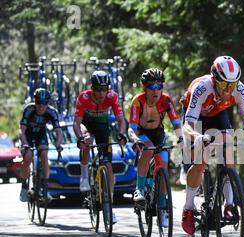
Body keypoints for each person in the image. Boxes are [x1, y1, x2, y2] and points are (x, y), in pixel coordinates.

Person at [179, 55, 244, 235]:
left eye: (232, 84)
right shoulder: (202, 88)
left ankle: (229, 204)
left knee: (229, 143)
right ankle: (188, 207)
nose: (228, 90)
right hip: (196, 116)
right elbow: (187, 126)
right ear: (214, 79)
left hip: (217, 113)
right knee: (200, 160)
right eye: (224, 84)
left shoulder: (239, 89)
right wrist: (197, 137)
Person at [127, 68, 183, 227]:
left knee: (163, 165)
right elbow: (132, 127)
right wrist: (136, 140)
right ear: (144, 88)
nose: (156, 91)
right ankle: (139, 189)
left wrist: (181, 139)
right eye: (152, 87)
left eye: (159, 87)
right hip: (142, 134)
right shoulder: (138, 101)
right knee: (148, 149)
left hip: (158, 133)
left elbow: (176, 122)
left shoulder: (166, 100)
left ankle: (162, 205)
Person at [73, 70, 127, 224]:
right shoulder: (83, 97)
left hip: (102, 127)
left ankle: (109, 208)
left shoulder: (112, 96)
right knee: (87, 140)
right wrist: (79, 138)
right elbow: (76, 123)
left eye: (104, 89)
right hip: (86, 125)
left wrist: (122, 134)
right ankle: (84, 175)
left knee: (108, 166)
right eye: (98, 89)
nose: (101, 93)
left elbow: (121, 120)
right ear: (92, 88)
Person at [19, 88, 63, 201]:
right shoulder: (29, 109)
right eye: (38, 102)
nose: (41, 106)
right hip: (27, 135)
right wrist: (25, 145)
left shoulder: (51, 112)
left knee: (44, 155)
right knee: (28, 157)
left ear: (48, 103)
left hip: (40, 134)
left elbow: (58, 131)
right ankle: (24, 186)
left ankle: (44, 187)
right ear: (35, 101)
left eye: (45, 103)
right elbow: (22, 131)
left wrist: (58, 145)